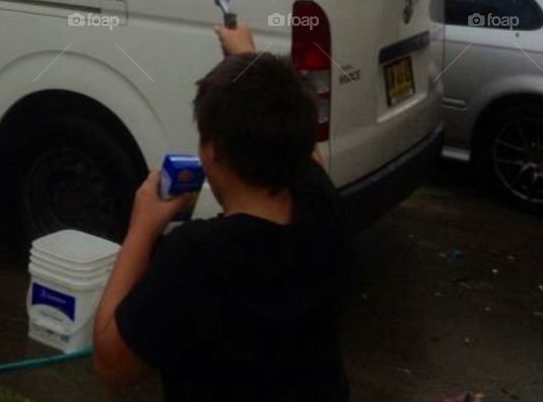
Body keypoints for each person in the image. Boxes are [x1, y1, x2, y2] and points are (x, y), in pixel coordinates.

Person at [93, 21, 350, 402]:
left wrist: (141, 229)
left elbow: (111, 363)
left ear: (211, 153)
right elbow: (301, 143)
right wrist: (247, 57)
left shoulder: (197, 257)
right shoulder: (320, 205)